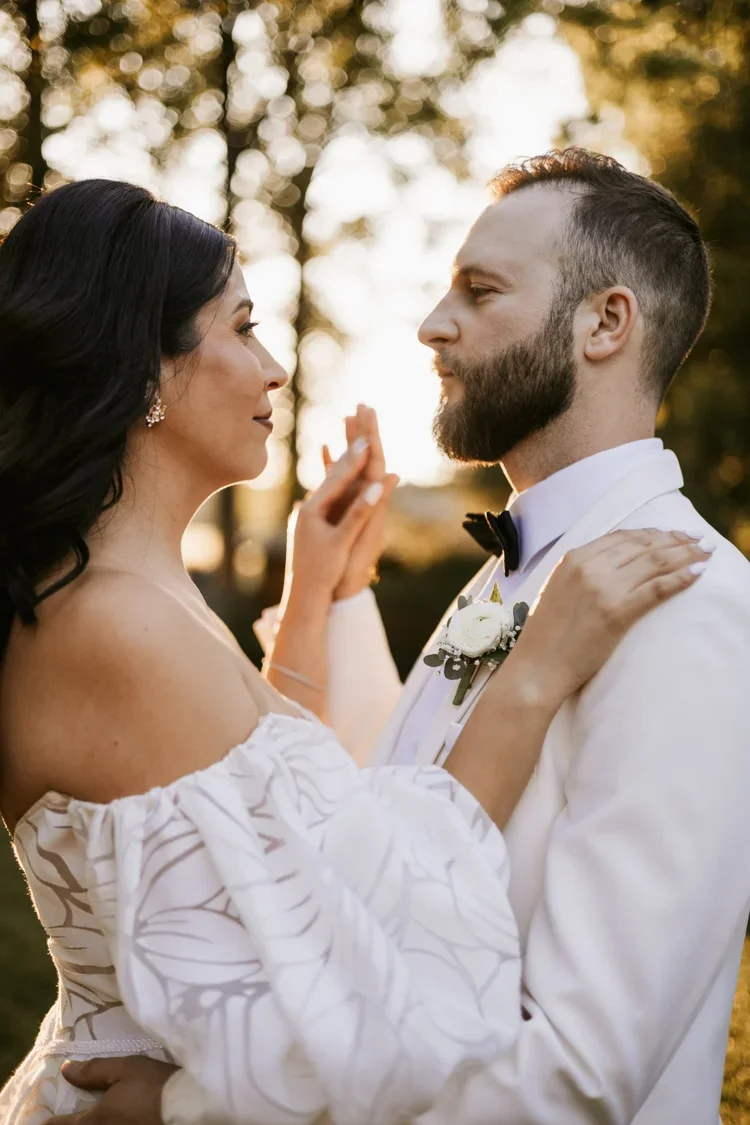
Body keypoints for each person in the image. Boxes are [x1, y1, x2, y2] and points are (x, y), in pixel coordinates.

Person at [53, 149, 750, 1125]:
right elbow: (377, 828)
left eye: (480, 290)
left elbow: (580, 1076)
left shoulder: (689, 603)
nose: (432, 323)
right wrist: (332, 599)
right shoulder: (518, 573)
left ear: (606, 322)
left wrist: (192, 1109)